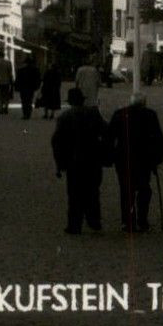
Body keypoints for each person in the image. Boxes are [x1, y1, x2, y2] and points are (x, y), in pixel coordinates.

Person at [106, 93, 163, 232]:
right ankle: (142, 220)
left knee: (126, 190)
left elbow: (109, 137)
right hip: (144, 159)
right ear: (144, 103)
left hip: (123, 159)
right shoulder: (150, 115)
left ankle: (128, 221)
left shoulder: (120, 114)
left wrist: (109, 157)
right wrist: (158, 158)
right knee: (144, 189)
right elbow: (158, 138)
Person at [52, 87, 107, 234]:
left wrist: (59, 164)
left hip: (73, 161)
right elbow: (106, 132)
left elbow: (57, 142)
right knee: (93, 191)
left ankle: (74, 225)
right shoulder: (94, 114)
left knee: (74, 194)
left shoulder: (65, 117)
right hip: (93, 160)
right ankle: (94, 220)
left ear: (70, 102)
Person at [15, 53, 41, 120]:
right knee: (29, 100)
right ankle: (28, 113)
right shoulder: (35, 70)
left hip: (23, 88)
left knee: (24, 101)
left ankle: (25, 114)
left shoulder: (21, 70)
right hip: (31, 88)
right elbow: (38, 79)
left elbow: (18, 80)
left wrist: (17, 87)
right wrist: (37, 86)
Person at [0, 49, 15, 114]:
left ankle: (0, 109)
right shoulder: (8, 62)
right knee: (6, 96)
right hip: (7, 82)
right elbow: (10, 73)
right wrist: (12, 81)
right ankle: (6, 107)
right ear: (3, 55)